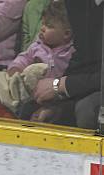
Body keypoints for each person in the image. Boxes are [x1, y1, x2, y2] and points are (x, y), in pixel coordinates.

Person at [32, 0, 102, 129]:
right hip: (90, 80)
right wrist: (57, 102)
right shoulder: (78, 4)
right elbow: (83, 57)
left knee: (87, 110)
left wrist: (60, 85)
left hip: (96, 86)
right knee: (33, 105)